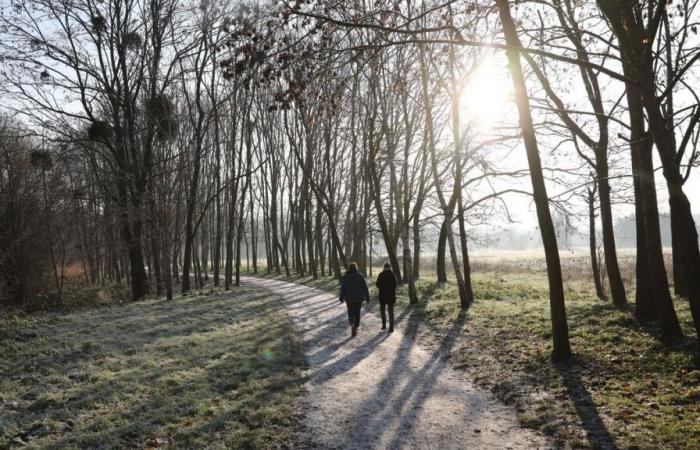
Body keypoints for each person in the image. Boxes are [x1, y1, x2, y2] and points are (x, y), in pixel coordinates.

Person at [339, 262, 370, 337]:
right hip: (359, 298)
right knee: (357, 313)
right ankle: (356, 326)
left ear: (349, 268)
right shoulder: (360, 276)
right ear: (356, 268)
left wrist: (341, 297)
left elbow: (343, 288)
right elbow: (365, 288)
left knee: (350, 312)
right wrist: (367, 297)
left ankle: (352, 324)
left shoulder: (346, 277)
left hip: (349, 298)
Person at [375, 262, 397, 333]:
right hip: (391, 296)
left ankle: (384, 324)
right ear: (390, 267)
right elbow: (395, 285)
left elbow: (377, 285)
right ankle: (391, 327)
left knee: (382, 310)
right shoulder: (392, 275)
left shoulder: (381, 275)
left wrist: (382, 287)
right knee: (391, 312)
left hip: (382, 296)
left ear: (384, 267)